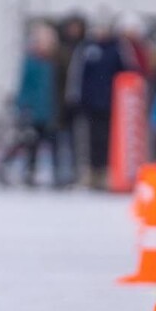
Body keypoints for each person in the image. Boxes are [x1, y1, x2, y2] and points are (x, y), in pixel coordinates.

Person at [65, 11, 137, 190]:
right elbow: (77, 74)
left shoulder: (118, 47)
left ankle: (108, 171)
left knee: (109, 139)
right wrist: (75, 97)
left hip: (113, 103)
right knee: (90, 138)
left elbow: (128, 71)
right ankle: (91, 171)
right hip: (90, 102)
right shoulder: (86, 48)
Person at [0, 22, 59, 187]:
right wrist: (23, 108)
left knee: (42, 142)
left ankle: (33, 172)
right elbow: (24, 86)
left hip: (47, 111)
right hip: (32, 111)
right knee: (27, 142)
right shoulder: (31, 62)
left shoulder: (51, 63)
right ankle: (13, 168)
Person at [54, 14, 86, 187]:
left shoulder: (84, 48)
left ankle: (74, 172)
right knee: (61, 139)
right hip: (60, 102)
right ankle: (61, 173)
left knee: (76, 139)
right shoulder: (60, 50)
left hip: (78, 102)